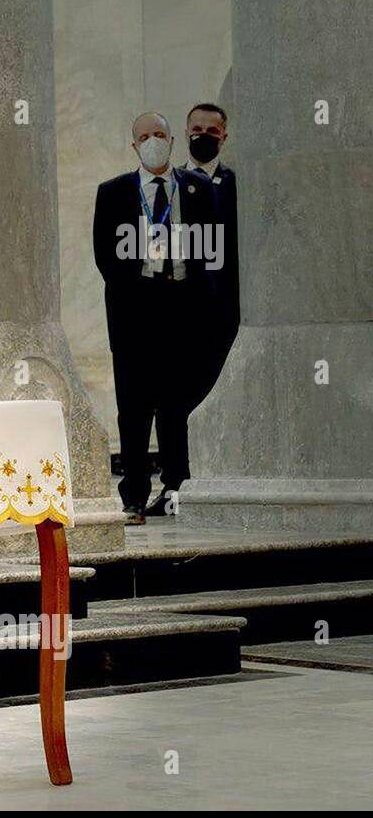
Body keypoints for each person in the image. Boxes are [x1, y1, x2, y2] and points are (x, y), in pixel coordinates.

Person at [93, 112, 218, 523]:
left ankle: (176, 486)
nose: (153, 141)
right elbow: (105, 257)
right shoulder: (112, 193)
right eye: (144, 136)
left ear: (172, 140)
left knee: (177, 403)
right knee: (133, 406)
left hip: (183, 308)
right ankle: (133, 494)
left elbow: (212, 251)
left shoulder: (198, 188)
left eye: (159, 134)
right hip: (135, 311)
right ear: (134, 146)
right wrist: (138, 291)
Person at [182, 102, 240, 411]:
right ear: (187, 133)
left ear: (224, 137)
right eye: (197, 130)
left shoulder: (237, 185)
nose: (204, 136)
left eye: (212, 131)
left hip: (226, 308)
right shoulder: (171, 184)